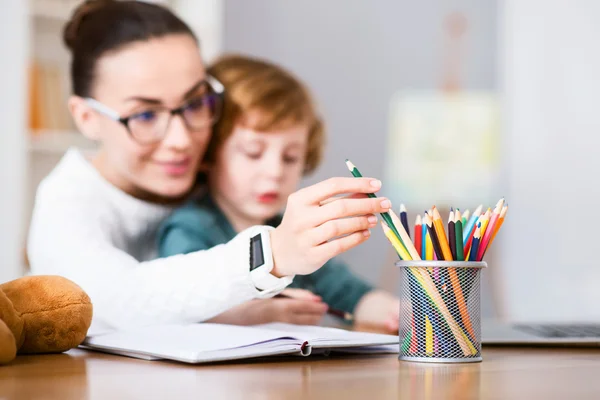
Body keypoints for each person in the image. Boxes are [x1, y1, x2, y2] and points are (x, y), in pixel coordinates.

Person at [26, 0, 391, 333]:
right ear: (87, 117)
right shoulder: (65, 207)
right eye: (146, 114)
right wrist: (272, 254)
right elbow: (121, 299)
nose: (181, 140)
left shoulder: (212, 181)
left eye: (194, 103)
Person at [157, 55, 400, 331]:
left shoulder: (285, 230)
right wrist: (260, 312)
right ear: (208, 153)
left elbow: (351, 294)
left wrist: (394, 311)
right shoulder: (190, 228)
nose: (274, 171)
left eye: (290, 157)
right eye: (253, 153)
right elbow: (181, 306)